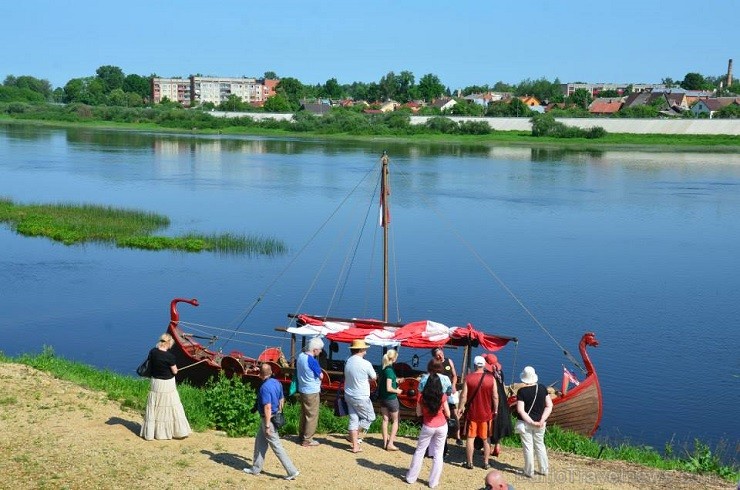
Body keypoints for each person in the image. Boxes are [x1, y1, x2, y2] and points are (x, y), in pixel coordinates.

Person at [244, 363, 299, 480]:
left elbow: (267, 407)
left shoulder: (264, 387)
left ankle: (292, 471)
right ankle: (255, 468)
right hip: (273, 416)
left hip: (268, 419)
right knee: (259, 442)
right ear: (270, 372)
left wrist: (268, 425)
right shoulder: (277, 382)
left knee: (276, 445)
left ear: (261, 374)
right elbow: (281, 399)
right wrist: (278, 412)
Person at [140, 333, 192, 440]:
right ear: (168, 343)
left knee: (155, 406)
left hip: (155, 382)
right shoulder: (170, 357)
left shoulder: (153, 351)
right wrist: (176, 370)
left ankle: (152, 433)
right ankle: (174, 431)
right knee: (171, 405)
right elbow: (175, 371)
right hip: (167, 384)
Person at [405, 372, 450, 489]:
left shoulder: (421, 396)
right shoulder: (442, 396)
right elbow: (448, 413)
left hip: (428, 425)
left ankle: (411, 478)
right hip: (441, 426)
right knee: (438, 455)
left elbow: (418, 413)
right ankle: (433, 482)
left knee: (420, 451)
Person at [457, 355, 497, 469]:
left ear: (475, 365)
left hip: (472, 413)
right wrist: (496, 409)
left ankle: (469, 462)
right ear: (484, 365)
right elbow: (495, 396)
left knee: (470, 438)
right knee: (486, 438)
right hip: (486, 414)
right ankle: (486, 462)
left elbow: (463, 395)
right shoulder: (491, 378)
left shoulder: (469, 378)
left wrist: (460, 407)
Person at [515, 366, 552, 478]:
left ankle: (529, 471)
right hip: (540, 423)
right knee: (540, 445)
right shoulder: (542, 388)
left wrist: (531, 422)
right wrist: (541, 420)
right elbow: (549, 405)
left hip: (526, 423)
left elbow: (520, 410)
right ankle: (544, 469)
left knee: (528, 447)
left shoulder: (521, 391)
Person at [343, 339, 377, 453]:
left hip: (348, 394)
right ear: (361, 349)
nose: (366, 352)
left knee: (354, 419)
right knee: (370, 417)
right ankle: (354, 435)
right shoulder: (366, 363)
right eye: (365, 349)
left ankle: (354, 445)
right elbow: (373, 377)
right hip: (361, 396)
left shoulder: (348, 361)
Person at [297, 337, 324, 447]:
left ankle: (302, 434)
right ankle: (307, 439)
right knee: (312, 415)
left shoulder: (300, 356)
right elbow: (321, 376)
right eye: (320, 349)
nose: (321, 351)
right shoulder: (312, 361)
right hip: (312, 391)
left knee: (304, 413)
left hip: (302, 389)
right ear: (314, 349)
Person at [483, 353, 512, 457]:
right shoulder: (500, 373)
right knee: (499, 421)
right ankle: (498, 446)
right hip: (503, 400)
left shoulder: (488, 376)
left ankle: (489, 446)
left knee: (490, 423)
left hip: (493, 400)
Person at [431, 346, 461, 444]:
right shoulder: (435, 364)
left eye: (441, 353)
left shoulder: (449, 361)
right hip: (441, 392)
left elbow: (455, 375)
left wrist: (453, 385)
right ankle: (443, 434)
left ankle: (458, 436)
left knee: (454, 413)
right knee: (443, 412)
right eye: (438, 355)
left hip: (450, 390)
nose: (440, 355)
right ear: (435, 356)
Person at [378, 348, 404, 451]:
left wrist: (397, 380)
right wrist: (398, 391)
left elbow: (386, 382)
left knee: (385, 420)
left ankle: (385, 442)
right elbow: (389, 388)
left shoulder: (383, 368)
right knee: (395, 420)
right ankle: (390, 443)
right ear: (393, 358)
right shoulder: (390, 370)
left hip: (382, 398)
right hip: (391, 398)